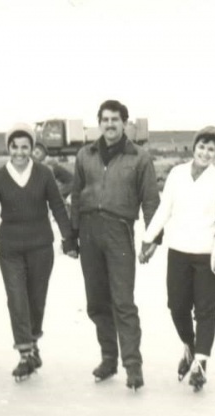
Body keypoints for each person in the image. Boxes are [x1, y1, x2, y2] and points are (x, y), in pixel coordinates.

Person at [67, 99, 160, 390]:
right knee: (96, 301)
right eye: (105, 119)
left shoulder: (140, 157)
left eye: (115, 120)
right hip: (89, 231)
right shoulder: (85, 154)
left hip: (119, 230)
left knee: (123, 301)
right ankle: (109, 358)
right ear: (99, 123)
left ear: (125, 123)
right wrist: (71, 236)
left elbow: (151, 200)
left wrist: (153, 238)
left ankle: (133, 366)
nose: (109, 124)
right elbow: (76, 195)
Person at [139, 126, 215, 391]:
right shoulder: (177, 174)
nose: (205, 152)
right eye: (202, 147)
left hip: (208, 255)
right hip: (178, 251)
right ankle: (190, 347)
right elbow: (164, 209)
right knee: (177, 307)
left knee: (206, 310)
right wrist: (148, 238)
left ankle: (201, 363)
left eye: (211, 149)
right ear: (194, 148)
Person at [0, 124, 73, 381]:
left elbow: (57, 206)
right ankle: (24, 353)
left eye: (25, 147)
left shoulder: (43, 174)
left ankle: (32, 344)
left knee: (36, 300)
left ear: (32, 149)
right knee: (16, 299)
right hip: (9, 249)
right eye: (14, 147)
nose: (19, 152)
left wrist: (69, 239)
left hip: (41, 247)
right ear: (8, 148)